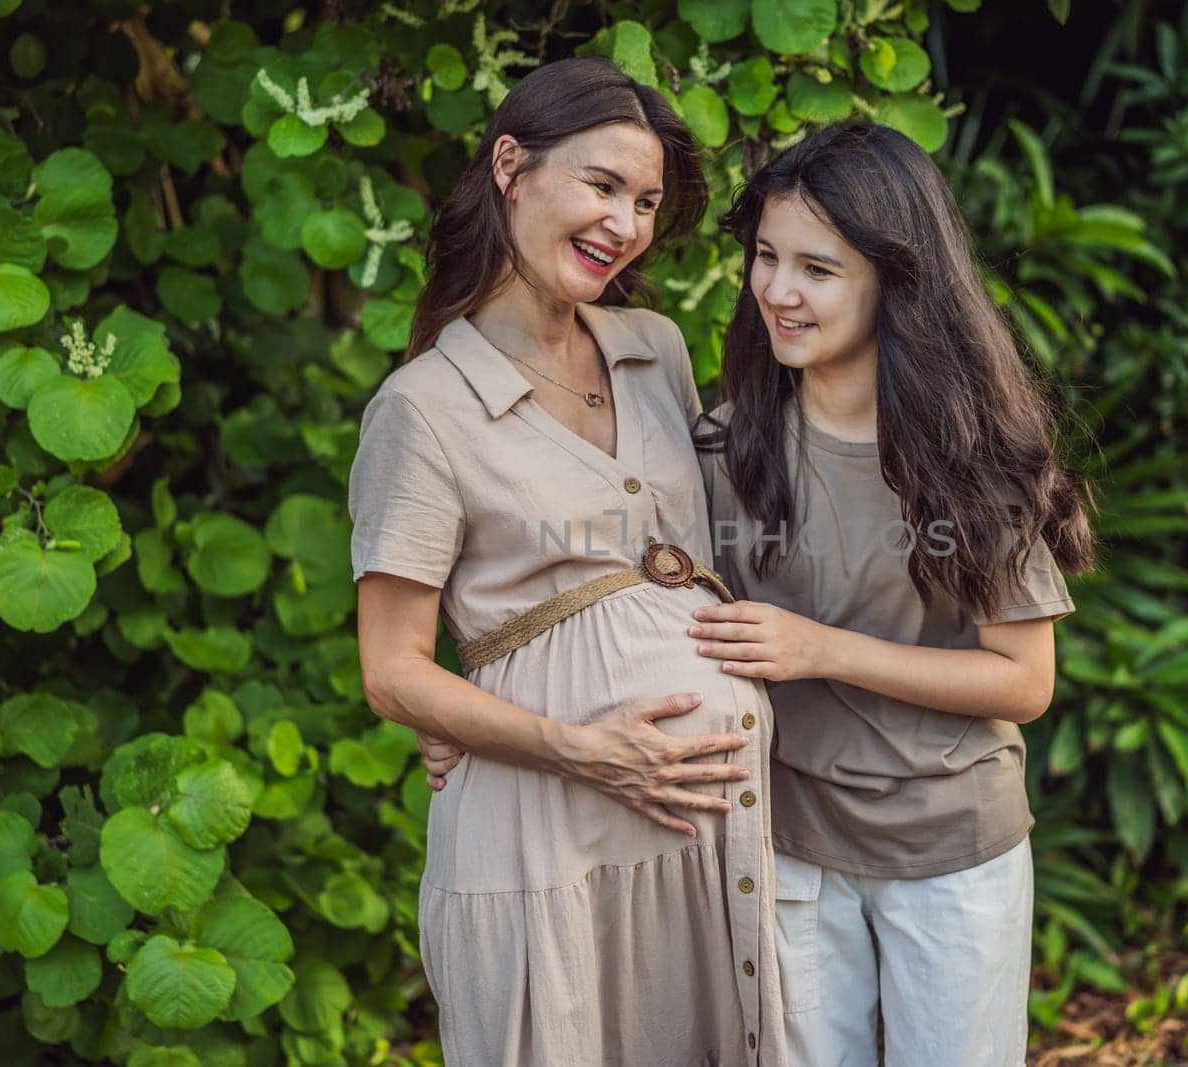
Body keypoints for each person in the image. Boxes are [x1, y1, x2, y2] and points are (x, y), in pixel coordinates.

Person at [350, 57, 785, 1066]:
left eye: (643, 202)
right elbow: (392, 668)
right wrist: (580, 744)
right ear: (511, 164)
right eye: (602, 186)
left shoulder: (655, 346)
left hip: (694, 830)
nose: (626, 223)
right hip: (544, 827)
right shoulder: (421, 409)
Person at [688, 122, 1094, 1066]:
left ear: (894, 280)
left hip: (950, 848)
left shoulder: (972, 455)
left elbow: (1023, 683)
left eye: (817, 270)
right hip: (787, 843)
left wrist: (818, 649)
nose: (778, 292)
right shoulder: (722, 445)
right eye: (765, 257)